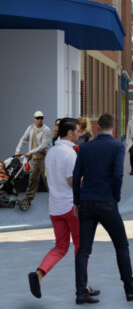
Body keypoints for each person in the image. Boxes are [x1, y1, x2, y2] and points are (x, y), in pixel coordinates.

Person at [72, 113, 133, 303]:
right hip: (107, 202)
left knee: (84, 249)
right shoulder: (117, 146)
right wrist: (116, 196)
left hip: (87, 203)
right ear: (114, 127)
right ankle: (130, 289)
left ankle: (81, 292)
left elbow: (76, 176)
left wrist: (77, 202)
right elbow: (118, 175)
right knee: (121, 245)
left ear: (98, 127)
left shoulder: (86, 147)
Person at [28, 118, 93, 300]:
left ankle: (39, 274)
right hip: (71, 208)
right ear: (70, 133)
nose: (80, 135)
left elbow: (49, 178)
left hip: (54, 208)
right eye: (78, 132)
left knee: (60, 247)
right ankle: (83, 288)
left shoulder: (52, 152)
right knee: (81, 248)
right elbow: (72, 181)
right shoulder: (70, 153)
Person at [14, 110, 52, 205]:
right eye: (38, 118)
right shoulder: (31, 128)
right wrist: (18, 150)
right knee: (33, 179)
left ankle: (54, 198)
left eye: (41, 118)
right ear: (34, 119)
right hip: (33, 159)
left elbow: (43, 145)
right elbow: (23, 139)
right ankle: (29, 198)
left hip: (43, 158)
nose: (40, 120)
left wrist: (30, 151)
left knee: (47, 179)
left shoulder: (46, 129)